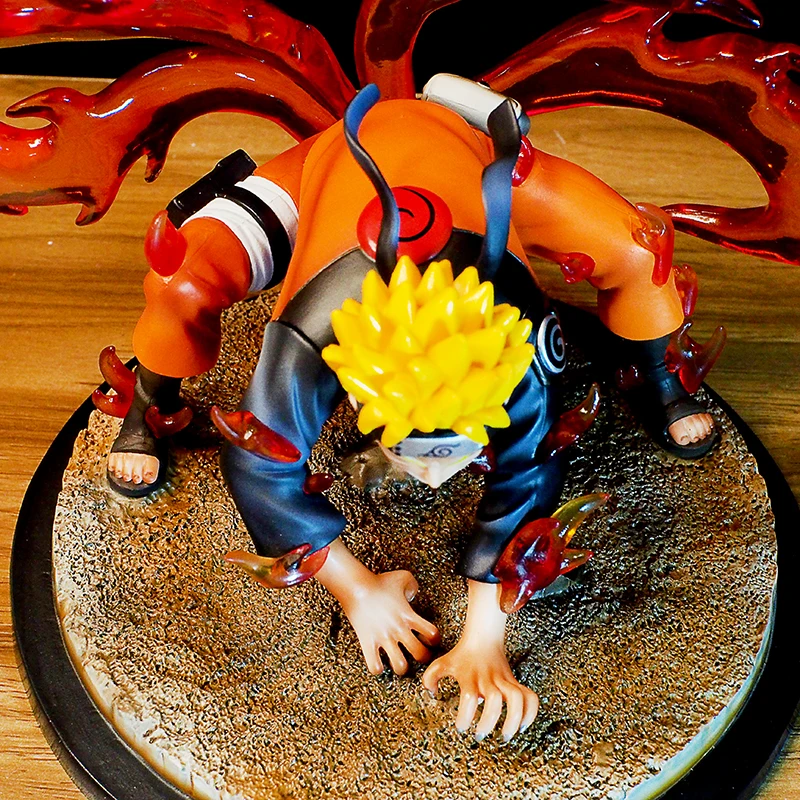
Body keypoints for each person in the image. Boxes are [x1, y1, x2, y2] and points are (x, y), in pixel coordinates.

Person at [104, 78, 714, 741]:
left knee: (639, 245)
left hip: (470, 154)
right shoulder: (313, 331)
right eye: (416, 454)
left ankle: (656, 370)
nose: (433, 481)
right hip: (326, 168)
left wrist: (485, 639)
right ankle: (149, 401)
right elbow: (257, 461)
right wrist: (355, 589)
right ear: (351, 383)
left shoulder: (518, 339)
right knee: (178, 279)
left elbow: (530, 467)